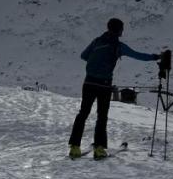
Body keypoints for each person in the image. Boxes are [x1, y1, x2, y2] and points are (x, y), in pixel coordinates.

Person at [68, 17, 160, 159]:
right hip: (104, 84)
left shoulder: (97, 41)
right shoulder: (118, 46)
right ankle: (99, 149)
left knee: (83, 114)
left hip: (89, 82)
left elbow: (83, 56)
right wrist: (156, 57)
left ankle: (74, 147)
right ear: (119, 31)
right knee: (102, 116)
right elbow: (137, 55)